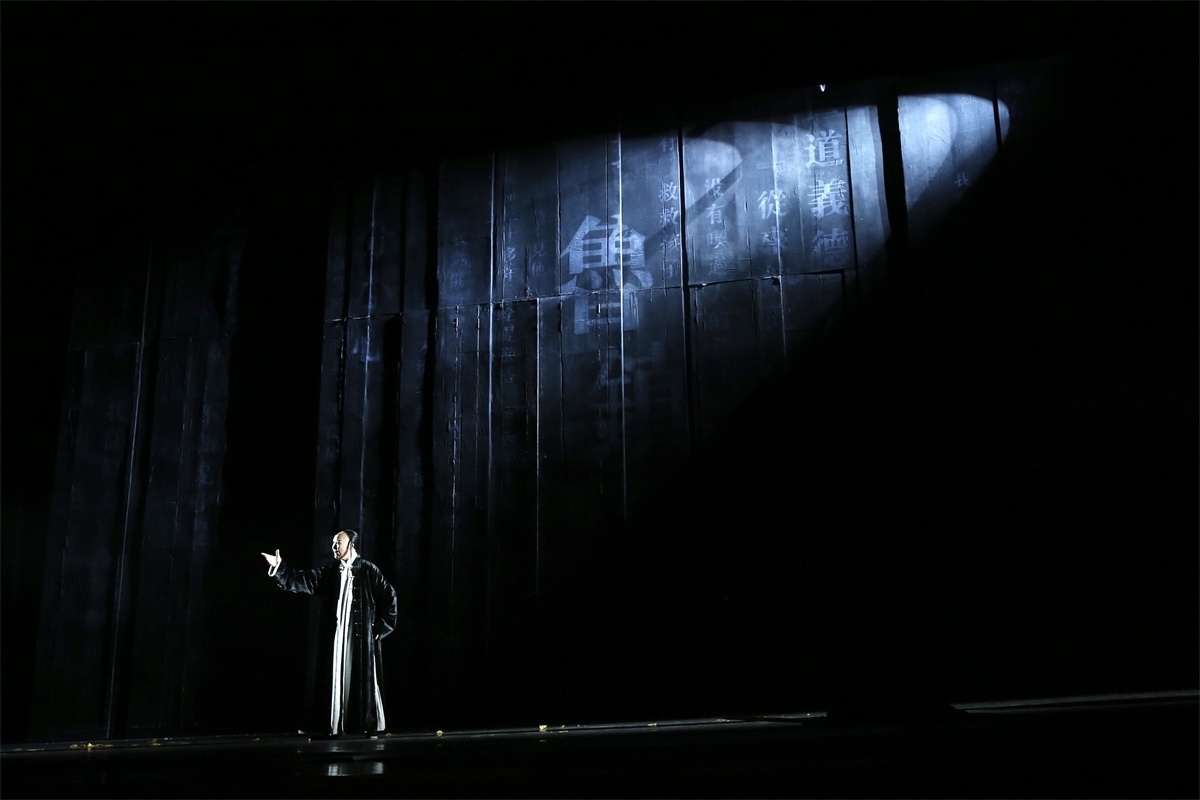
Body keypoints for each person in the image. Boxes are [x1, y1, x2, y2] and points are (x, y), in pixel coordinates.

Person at [260, 529, 399, 736]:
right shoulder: (331, 572)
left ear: (352, 544)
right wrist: (280, 567)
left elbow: (390, 598)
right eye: (333, 543)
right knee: (336, 675)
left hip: (361, 638)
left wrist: (381, 627)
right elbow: (304, 580)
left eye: (338, 543)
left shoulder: (369, 570)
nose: (334, 547)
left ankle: (363, 724)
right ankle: (335, 725)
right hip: (338, 637)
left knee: (360, 678)